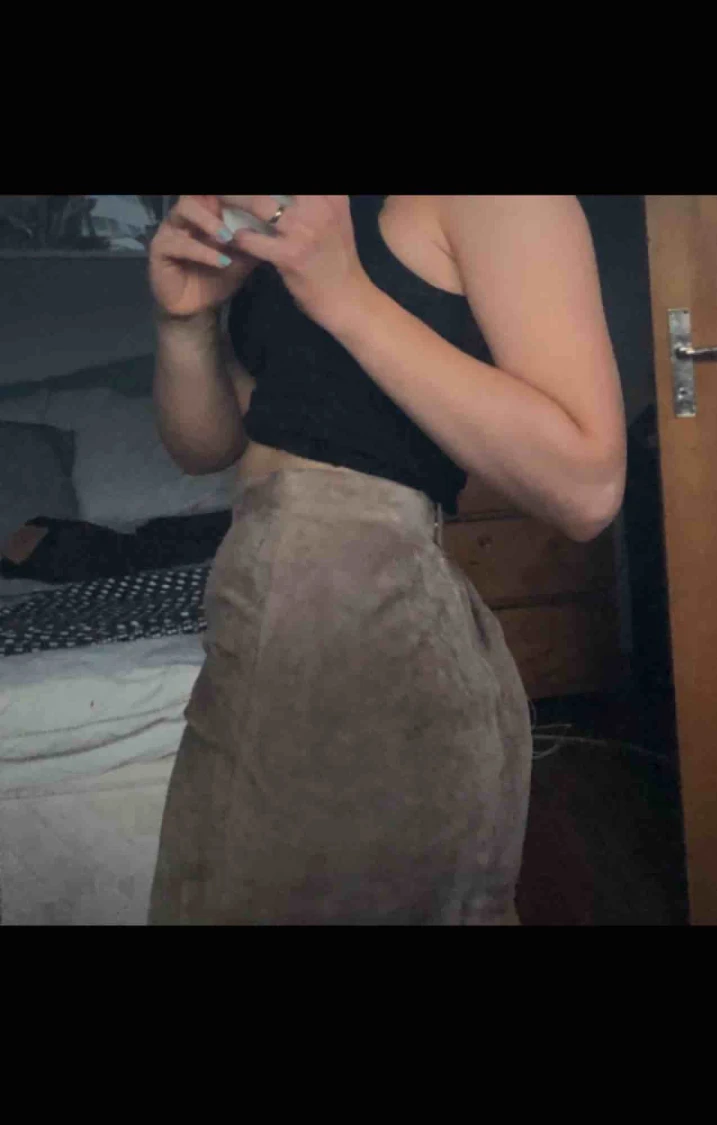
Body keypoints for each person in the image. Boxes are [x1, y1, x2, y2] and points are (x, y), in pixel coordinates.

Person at [146, 195, 626, 924]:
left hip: (377, 636)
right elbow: (212, 445)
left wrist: (346, 296)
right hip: (253, 625)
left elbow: (586, 487)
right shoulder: (292, 208)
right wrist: (184, 326)